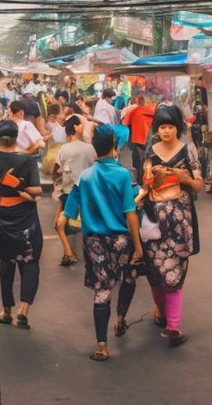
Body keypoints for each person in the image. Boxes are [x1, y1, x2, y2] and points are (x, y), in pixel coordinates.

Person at [63, 124, 142, 362]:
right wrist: (137, 245)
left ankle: (102, 346)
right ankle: (120, 318)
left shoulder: (85, 177)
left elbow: (68, 212)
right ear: (115, 147)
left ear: (95, 150)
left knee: (102, 292)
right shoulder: (122, 175)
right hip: (120, 240)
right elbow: (130, 212)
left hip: (94, 242)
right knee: (129, 277)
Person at [138, 104, 203, 347]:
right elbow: (145, 185)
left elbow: (198, 186)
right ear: (156, 129)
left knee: (175, 275)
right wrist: (154, 177)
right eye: (162, 127)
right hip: (154, 219)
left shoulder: (188, 150)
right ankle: (159, 309)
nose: (166, 131)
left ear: (178, 128)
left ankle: (173, 327)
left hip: (180, 223)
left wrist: (183, 177)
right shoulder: (150, 151)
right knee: (154, 272)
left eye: (170, 127)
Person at [0, 120, 44, 328]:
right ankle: (24, 309)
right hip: (26, 219)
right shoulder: (27, 161)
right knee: (30, 261)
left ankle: (6, 310)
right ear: (17, 137)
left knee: (6, 263)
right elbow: (36, 189)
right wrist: (24, 190)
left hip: (2, 218)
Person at [53, 116, 97, 266]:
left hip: (69, 191)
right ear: (76, 127)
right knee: (85, 223)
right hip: (88, 191)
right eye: (82, 125)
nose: (84, 127)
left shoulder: (64, 149)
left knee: (64, 225)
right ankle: (82, 253)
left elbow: (55, 171)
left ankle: (70, 253)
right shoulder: (90, 148)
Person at [122, 94, 154, 177]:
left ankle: (140, 179)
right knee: (148, 158)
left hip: (137, 140)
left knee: (137, 161)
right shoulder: (149, 110)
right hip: (149, 139)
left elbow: (125, 123)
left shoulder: (132, 111)